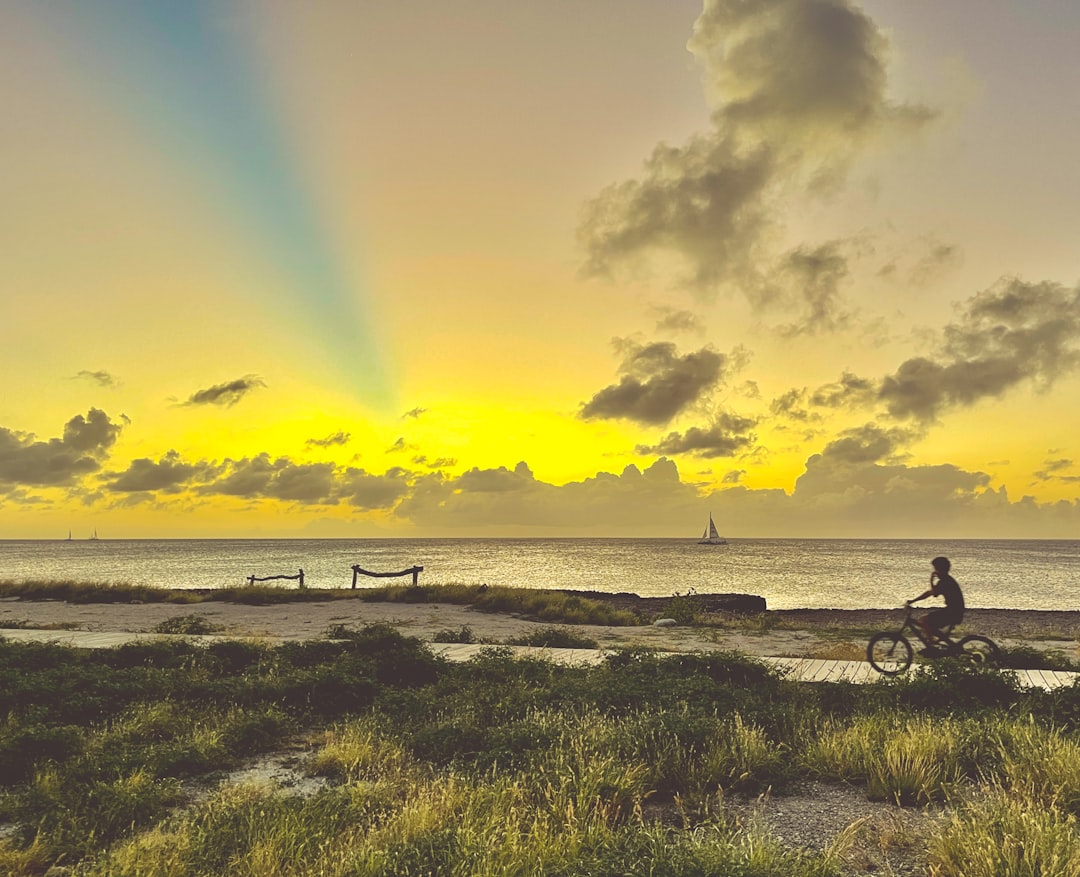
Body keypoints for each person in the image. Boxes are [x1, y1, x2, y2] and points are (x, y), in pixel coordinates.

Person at [908, 556, 964, 648]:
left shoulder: (944, 581)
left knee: (924, 620)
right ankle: (935, 644)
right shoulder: (947, 579)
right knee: (930, 626)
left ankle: (932, 646)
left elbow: (933, 593)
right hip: (955, 611)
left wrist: (931, 580)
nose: (934, 571)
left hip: (953, 612)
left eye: (935, 569)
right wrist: (913, 601)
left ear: (939, 569)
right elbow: (930, 593)